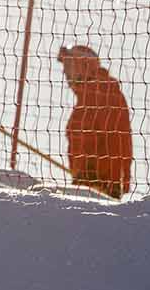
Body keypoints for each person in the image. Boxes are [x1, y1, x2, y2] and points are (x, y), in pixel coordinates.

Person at [55, 44, 132, 198]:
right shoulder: (88, 97)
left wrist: (113, 183)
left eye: (69, 65)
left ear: (83, 65)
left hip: (100, 185)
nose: (65, 72)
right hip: (90, 184)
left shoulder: (102, 92)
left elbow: (116, 140)